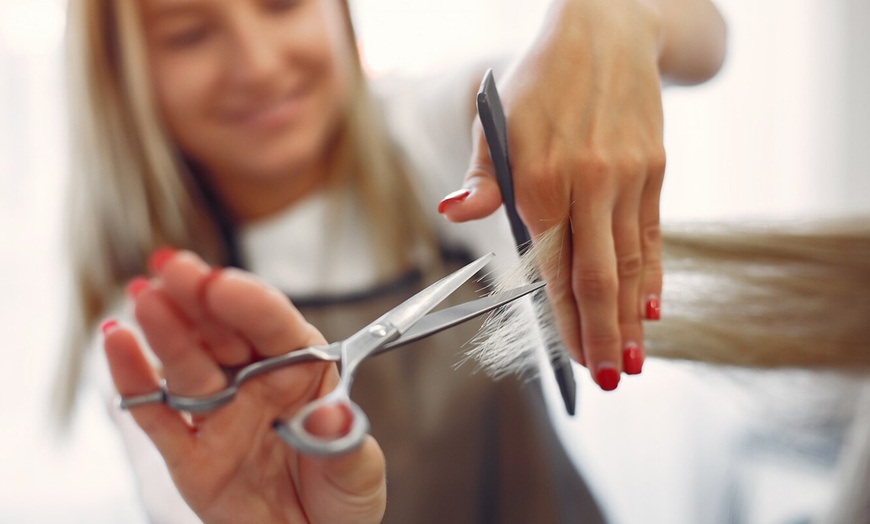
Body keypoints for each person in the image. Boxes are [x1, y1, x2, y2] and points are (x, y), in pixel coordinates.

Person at [54, 0, 728, 521]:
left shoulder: (436, 137)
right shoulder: (153, 335)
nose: (256, 65)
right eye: (189, 35)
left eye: (283, 4)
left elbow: (708, 40)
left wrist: (611, 20)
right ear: (122, 71)